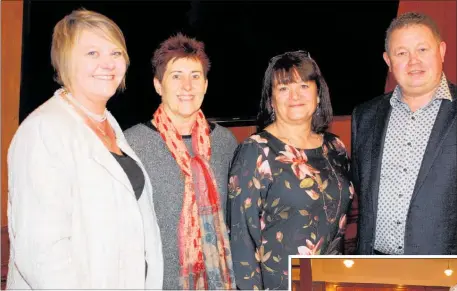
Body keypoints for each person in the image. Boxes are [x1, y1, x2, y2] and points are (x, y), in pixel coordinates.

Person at [6, 9, 163, 289]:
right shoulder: (44, 130)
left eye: (115, 53)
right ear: (66, 61)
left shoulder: (109, 125)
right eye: (92, 53)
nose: (108, 63)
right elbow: (42, 254)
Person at [227, 50, 356, 290]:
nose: (294, 95)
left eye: (303, 86)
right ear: (271, 100)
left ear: (318, 95)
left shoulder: (335, 147)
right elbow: (241, 239)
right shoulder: (255, 151)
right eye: (284, 88)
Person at [124, 33, 237, 290]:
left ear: (206, 84)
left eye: (195, 76)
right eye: (176, 76)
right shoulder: (133, 144)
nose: (187, 86)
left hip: (217, 280)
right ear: (157, 85)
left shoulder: (224, 143)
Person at [352, 12, 456, 255]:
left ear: (441, 51)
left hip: (444, 272)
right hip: (373, 267)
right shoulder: (365, 117)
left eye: (422, 49)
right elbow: (361, 188)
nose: (413, 62)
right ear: (388, 61)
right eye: (402, 53)